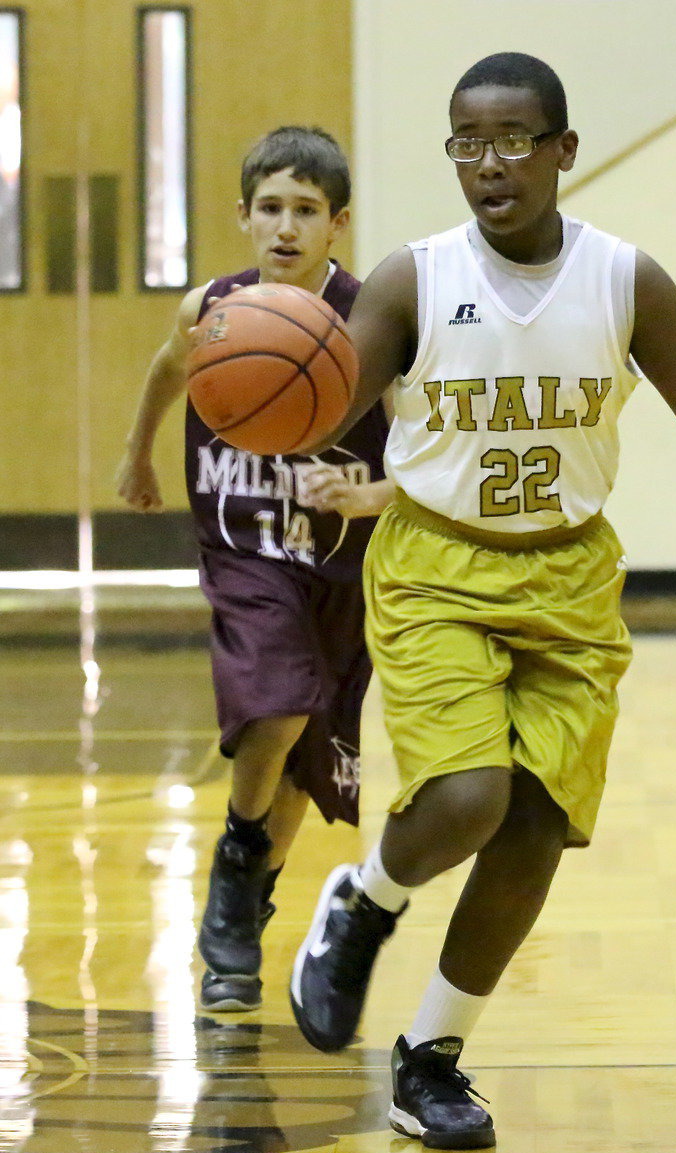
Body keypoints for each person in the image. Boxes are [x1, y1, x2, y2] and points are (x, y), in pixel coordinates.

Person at [288, 54, 676, 1150]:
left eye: (514, 139)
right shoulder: (413, 279)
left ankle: (431, 1059)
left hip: (568, 574)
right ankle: (364, 901)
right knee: (467, 799)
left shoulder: (626, 280)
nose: (489, 163)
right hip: (437, 567)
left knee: (535, 831)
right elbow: (322, 399)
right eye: (468, 141)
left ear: (564, 151)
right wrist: (263, 400)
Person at [115, 126, 394, 1013]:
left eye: (305, 211)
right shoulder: (214, 309)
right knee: (276, 703)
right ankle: (236, 873)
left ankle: (241, 917)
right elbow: (168, 371)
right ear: (243, 216)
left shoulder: (373, 321)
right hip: (243, 544)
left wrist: (375, 495)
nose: (285, 227)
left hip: (341, 563)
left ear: (337, 223)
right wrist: (140, 457)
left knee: (310, 760)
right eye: (269, 208)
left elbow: (431, 449)